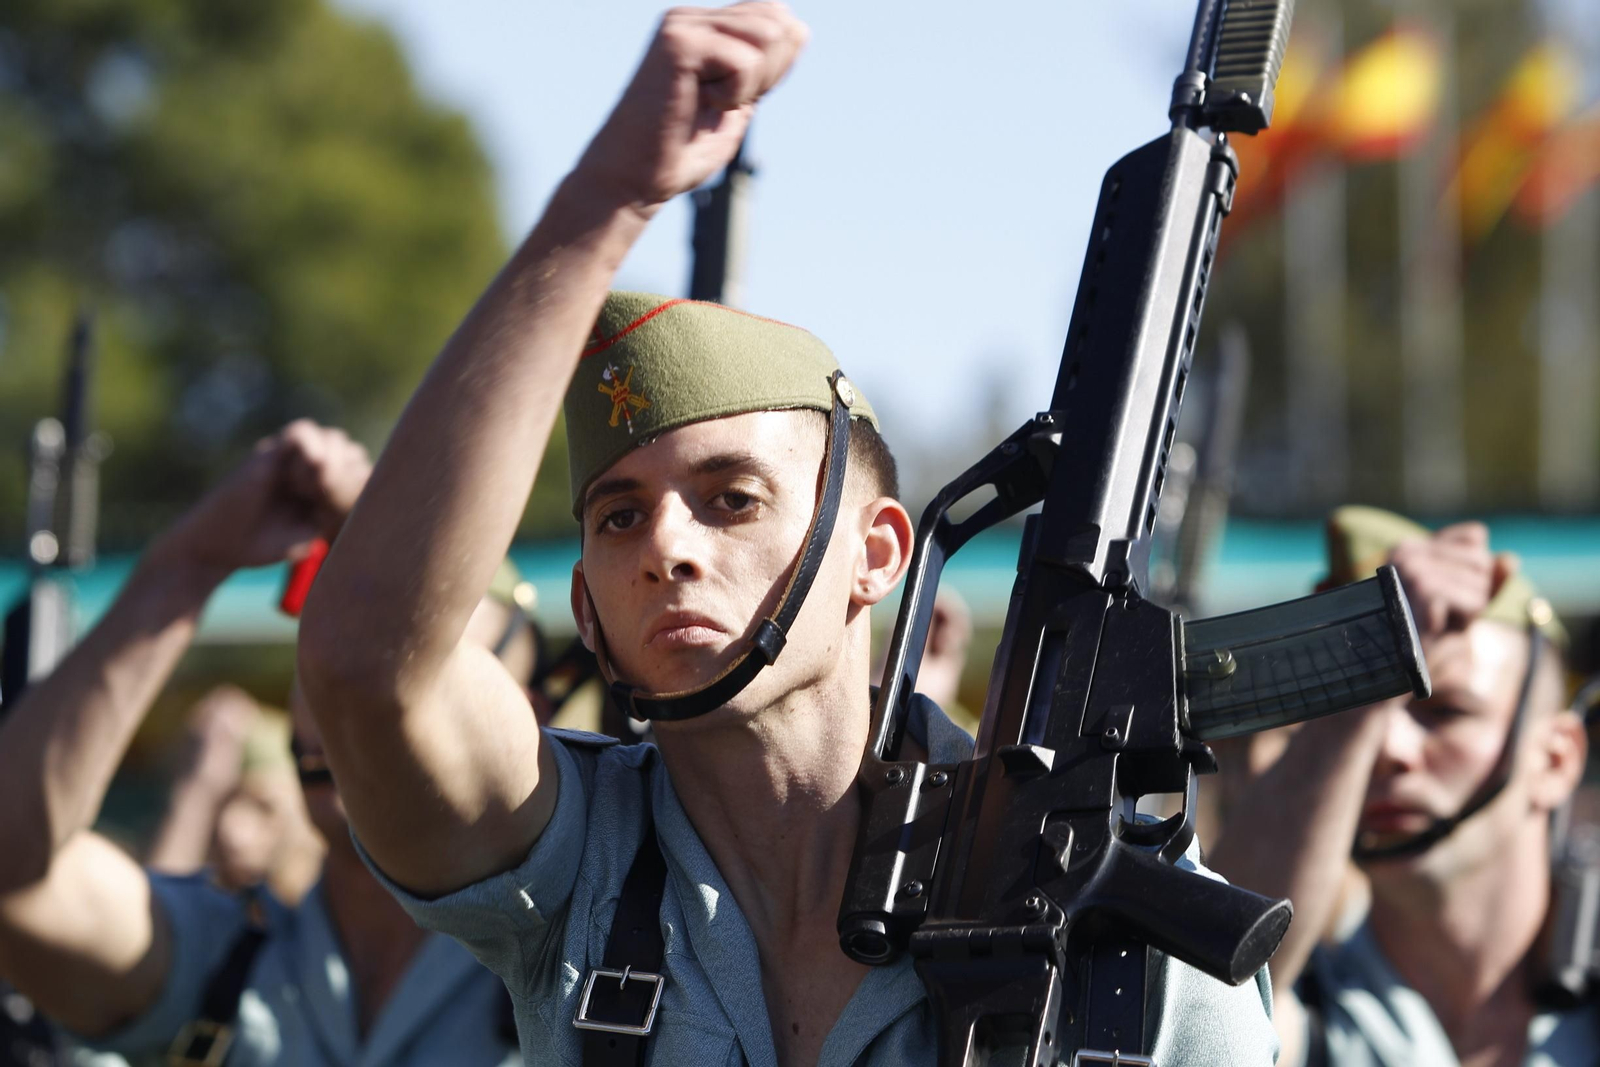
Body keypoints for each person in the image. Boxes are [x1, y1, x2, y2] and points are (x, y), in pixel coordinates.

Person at [296, 6, 1280, 1064]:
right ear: (585, 604)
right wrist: (604, 202)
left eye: (732, 498)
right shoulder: (576, 864)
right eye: (620, 515)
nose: (665, 546)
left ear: (877, 553)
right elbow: (368, 661)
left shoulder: (1118, 926)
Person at [0, 420, 521, 1067]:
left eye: (411, 661)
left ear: (528, 714)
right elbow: (13, 869)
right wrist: (187, 567)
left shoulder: (571, 958)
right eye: (326, 658)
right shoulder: (223, 953)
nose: (352, 698)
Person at [1209, 506, 1594, 1067]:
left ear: (1557, 760)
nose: (1388, 748)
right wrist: (1363, 676)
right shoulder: (1306, 1008)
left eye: (1444, 712)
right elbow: (1213, 989)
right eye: (1362, 719)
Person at [147, 685, 326, 904]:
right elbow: (162, 908)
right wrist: (198, 796)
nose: (230, 830)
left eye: (263, 809)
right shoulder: (214, 902)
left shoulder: (324, 909)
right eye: (219, 805)